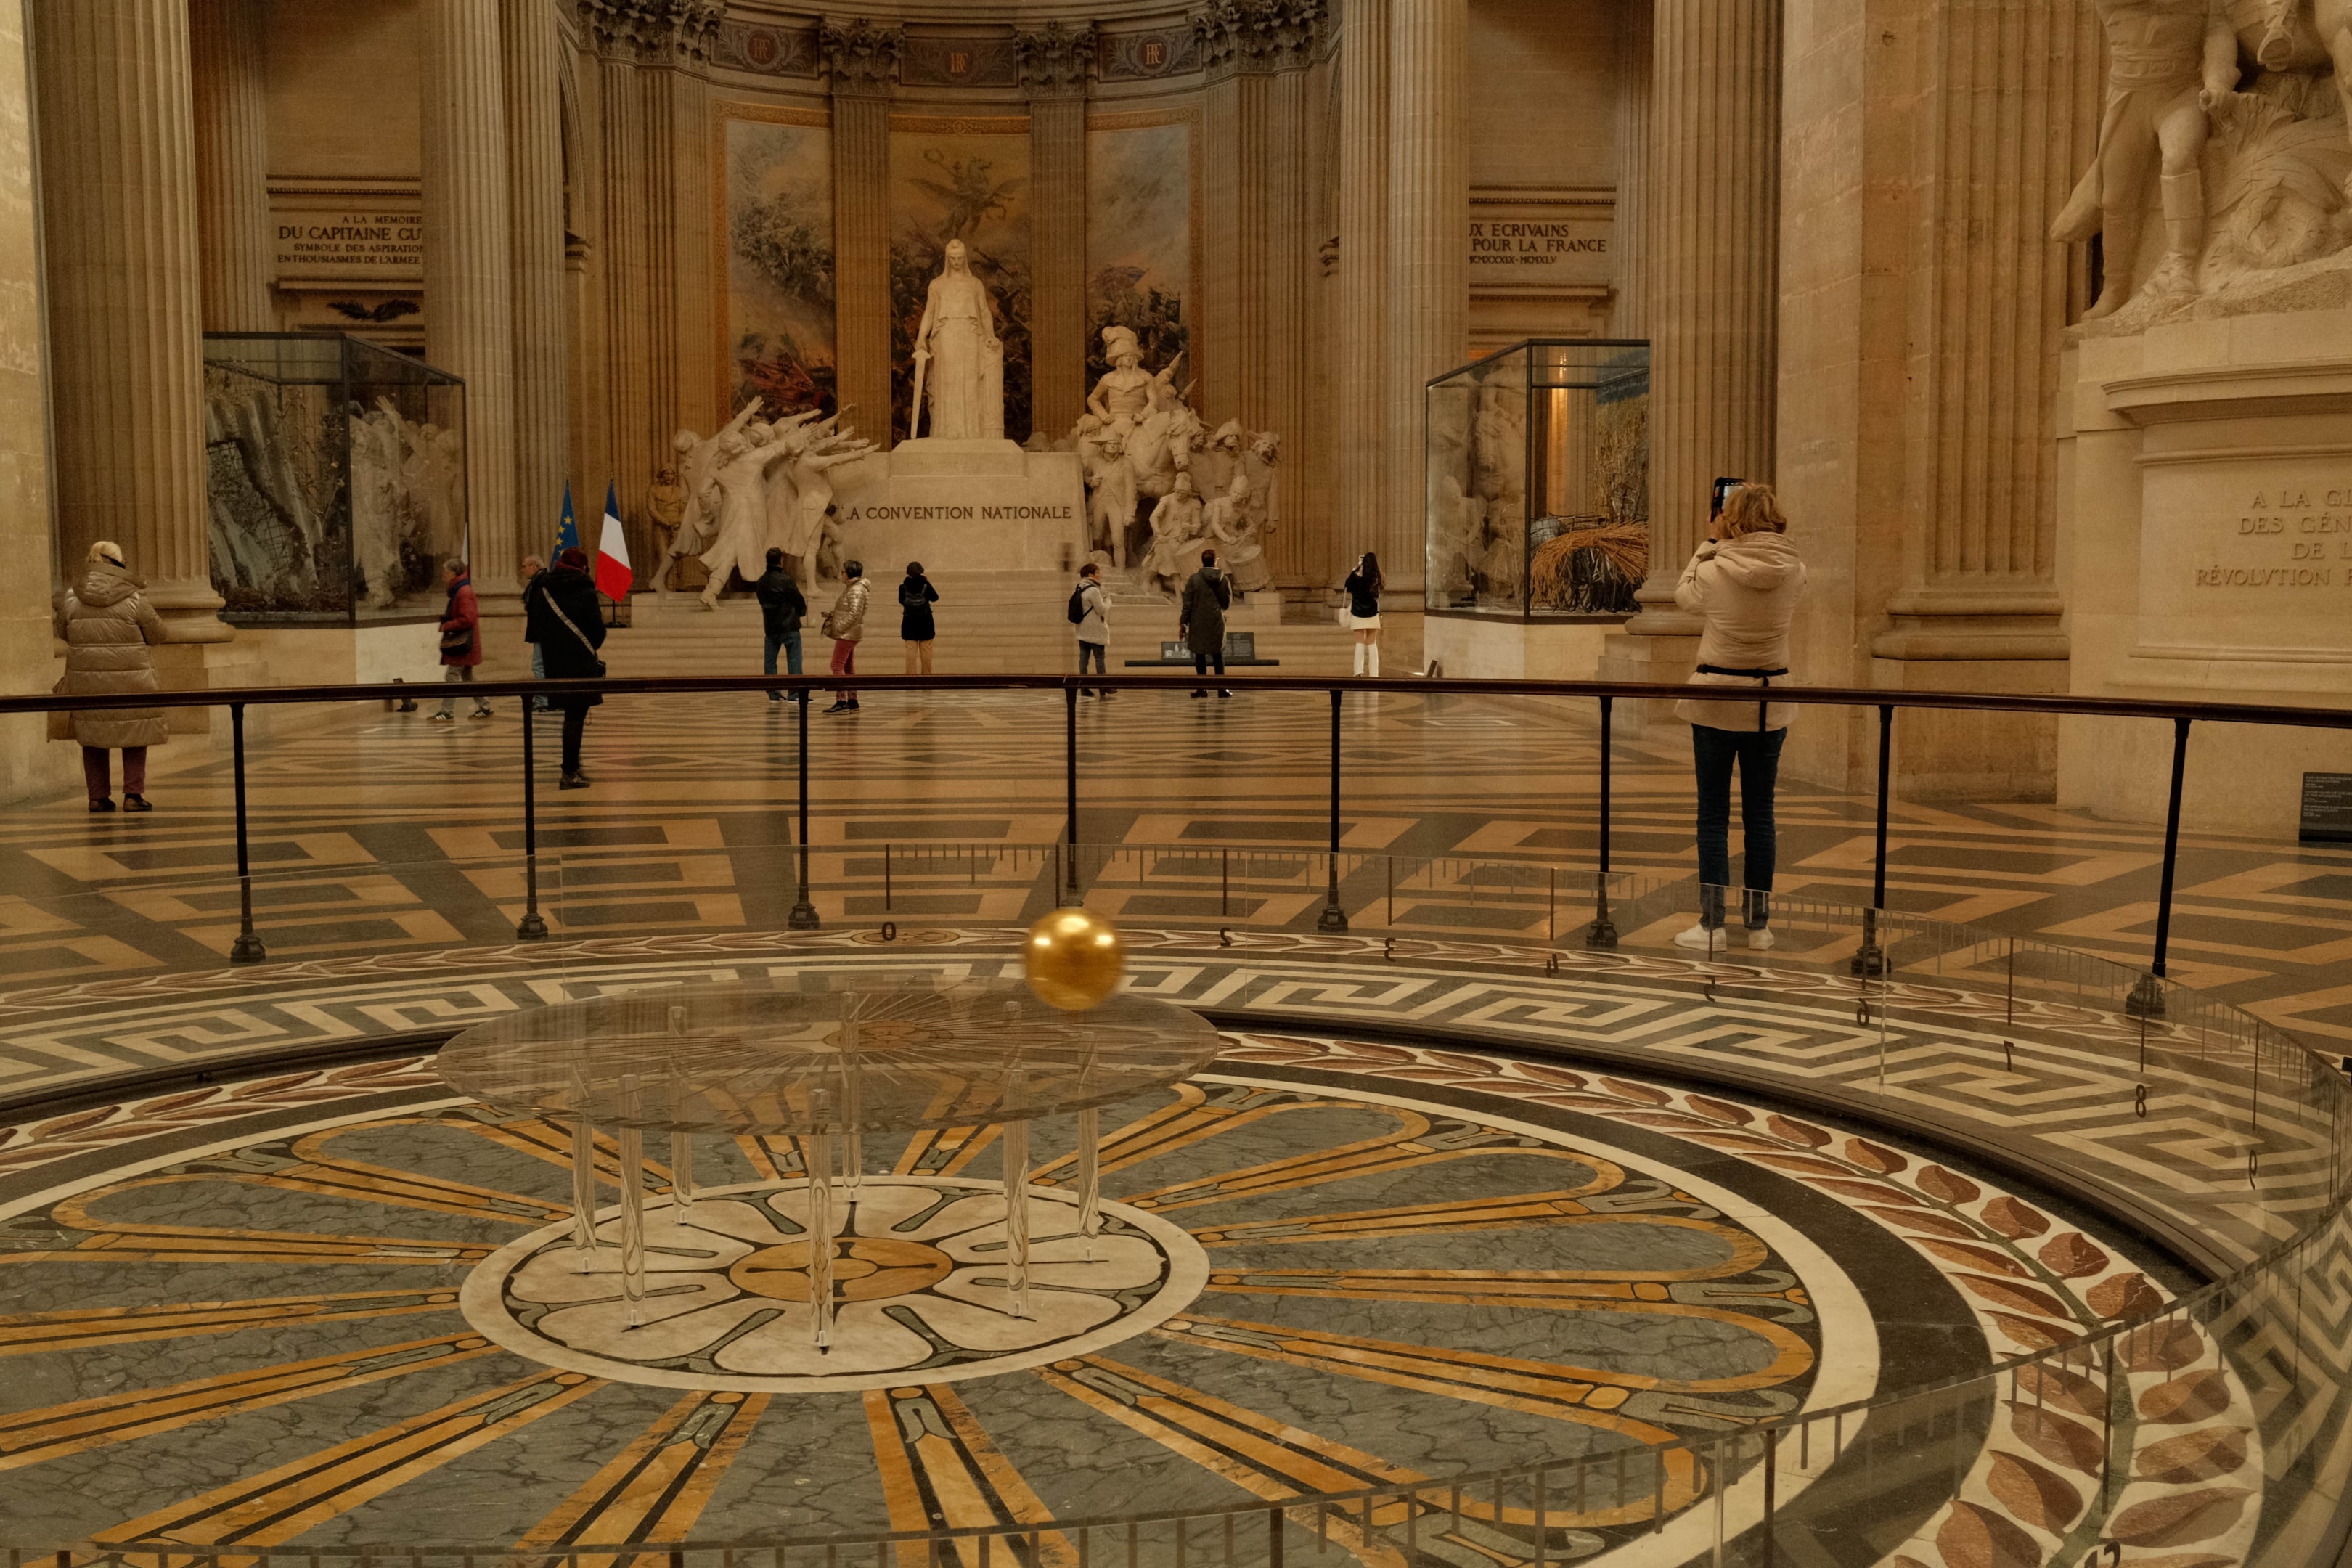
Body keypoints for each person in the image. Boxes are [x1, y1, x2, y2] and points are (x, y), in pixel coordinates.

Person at [1671, 482, 1807, 952]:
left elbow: (1683, 598)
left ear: (1729, 520)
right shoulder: (1796, 571)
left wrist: (1709, 543)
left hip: (1716, 696)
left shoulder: (1712, 567)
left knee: (1713, 814)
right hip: (1769, 702)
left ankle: (1712, 926)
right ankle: (1759, 925)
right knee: (1760, 815)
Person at [53, 539, 166, 813]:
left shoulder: (70, 597)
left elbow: (64, 634)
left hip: (87, 680)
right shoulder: (134, 598)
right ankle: (133, 795)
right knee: (136, 735)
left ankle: (97, 797)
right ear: (119, 565)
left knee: (92, 737)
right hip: (133, 680)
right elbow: (159, 635)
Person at [526, 547, 608, 789]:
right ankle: (569, 771)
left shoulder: (543, 587)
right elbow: (598, 631)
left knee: (570, 716)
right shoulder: (584, 589)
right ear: (583, 568)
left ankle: (572, 767)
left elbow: (537, 625)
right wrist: (585, 647)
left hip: (555, 661)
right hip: (580, 662)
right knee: (575, 717)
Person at [431, 558, 492, 721]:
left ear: (452, 573)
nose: (443, 576)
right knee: (467, 676)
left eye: (445, 572)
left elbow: (468, 619)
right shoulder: (459, 590)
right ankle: (485, 705)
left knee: (452, 676)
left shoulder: (463, 591)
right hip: (463, 643)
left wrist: (448, 625)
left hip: (462, 643)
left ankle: (446, 711)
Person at [756, 546, 808, 703]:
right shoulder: (785, 580)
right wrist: (801, 612)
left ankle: (774, 693)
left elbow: (762, 601)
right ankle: (794, 694)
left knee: (770, 662)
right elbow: (798, 599)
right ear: (781, 561)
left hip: (771, 626)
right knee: (794, 660)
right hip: (789, 625)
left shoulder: (761, 581)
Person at [1180, 547, 1232, 700]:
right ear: (1215, 561)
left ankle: (1202, 688)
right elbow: (1226, 604)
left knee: (1200, 655)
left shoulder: (1194, 579)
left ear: (1202, 562)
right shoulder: (1224, 579)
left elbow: (1187, 604)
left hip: (1198, 621)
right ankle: (1222, 689)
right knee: (1218, 655)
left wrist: (1183, 624)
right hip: (1216, 621)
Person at [823, 559, 870, 714]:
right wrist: (833, 615)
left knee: (836, 665)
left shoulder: (856, 589)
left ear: (849, 573)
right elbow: (847, 609)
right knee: (848, 667)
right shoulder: (852, 588)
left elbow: (855, 613)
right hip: (849, 632)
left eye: (843, 572)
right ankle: (853, 700)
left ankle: (841, 701)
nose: (841, 574)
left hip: (848, 633)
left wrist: (839, 626)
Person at [1074, 561, 1111, 699]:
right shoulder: (1094, 590)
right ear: (1090, 575)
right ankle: (1103, 686)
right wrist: (1108, 600)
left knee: (1084, 659)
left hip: (1082, 629)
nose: (1099, 576)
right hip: (1095, 630)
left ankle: (1084, 687)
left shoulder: (1080, 587)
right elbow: (1101, 610)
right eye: (1097, 573)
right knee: (1099, 659)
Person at [1342, 551, 1384, 677]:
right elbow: (1379, 591)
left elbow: (1347, 587)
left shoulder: (1355, 575)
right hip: (1372, 612)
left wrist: (1354, 571)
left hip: (1357, 612)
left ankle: (1358, 671)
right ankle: (1374, 673)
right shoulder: (1377, 576)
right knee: (1372, 643)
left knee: (1359, 642)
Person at [518, 553, 551, 712]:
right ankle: (546, 699)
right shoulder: (539, 582)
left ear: (534, 566)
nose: (523, 570)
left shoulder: (542, 583)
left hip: (542, 632)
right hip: (543, 631)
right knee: (543, 665)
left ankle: (542, 700)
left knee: (538, 666)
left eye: (525, 566)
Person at [899, 561, 941, 674]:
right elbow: (935, 597)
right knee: (926, 653)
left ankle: (911, 678)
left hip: (909, 623)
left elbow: (901, 601)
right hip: (925, 622)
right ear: (921, 571)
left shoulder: (903, 587)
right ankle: (926, 678)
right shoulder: (926, 585)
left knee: (910, 654)